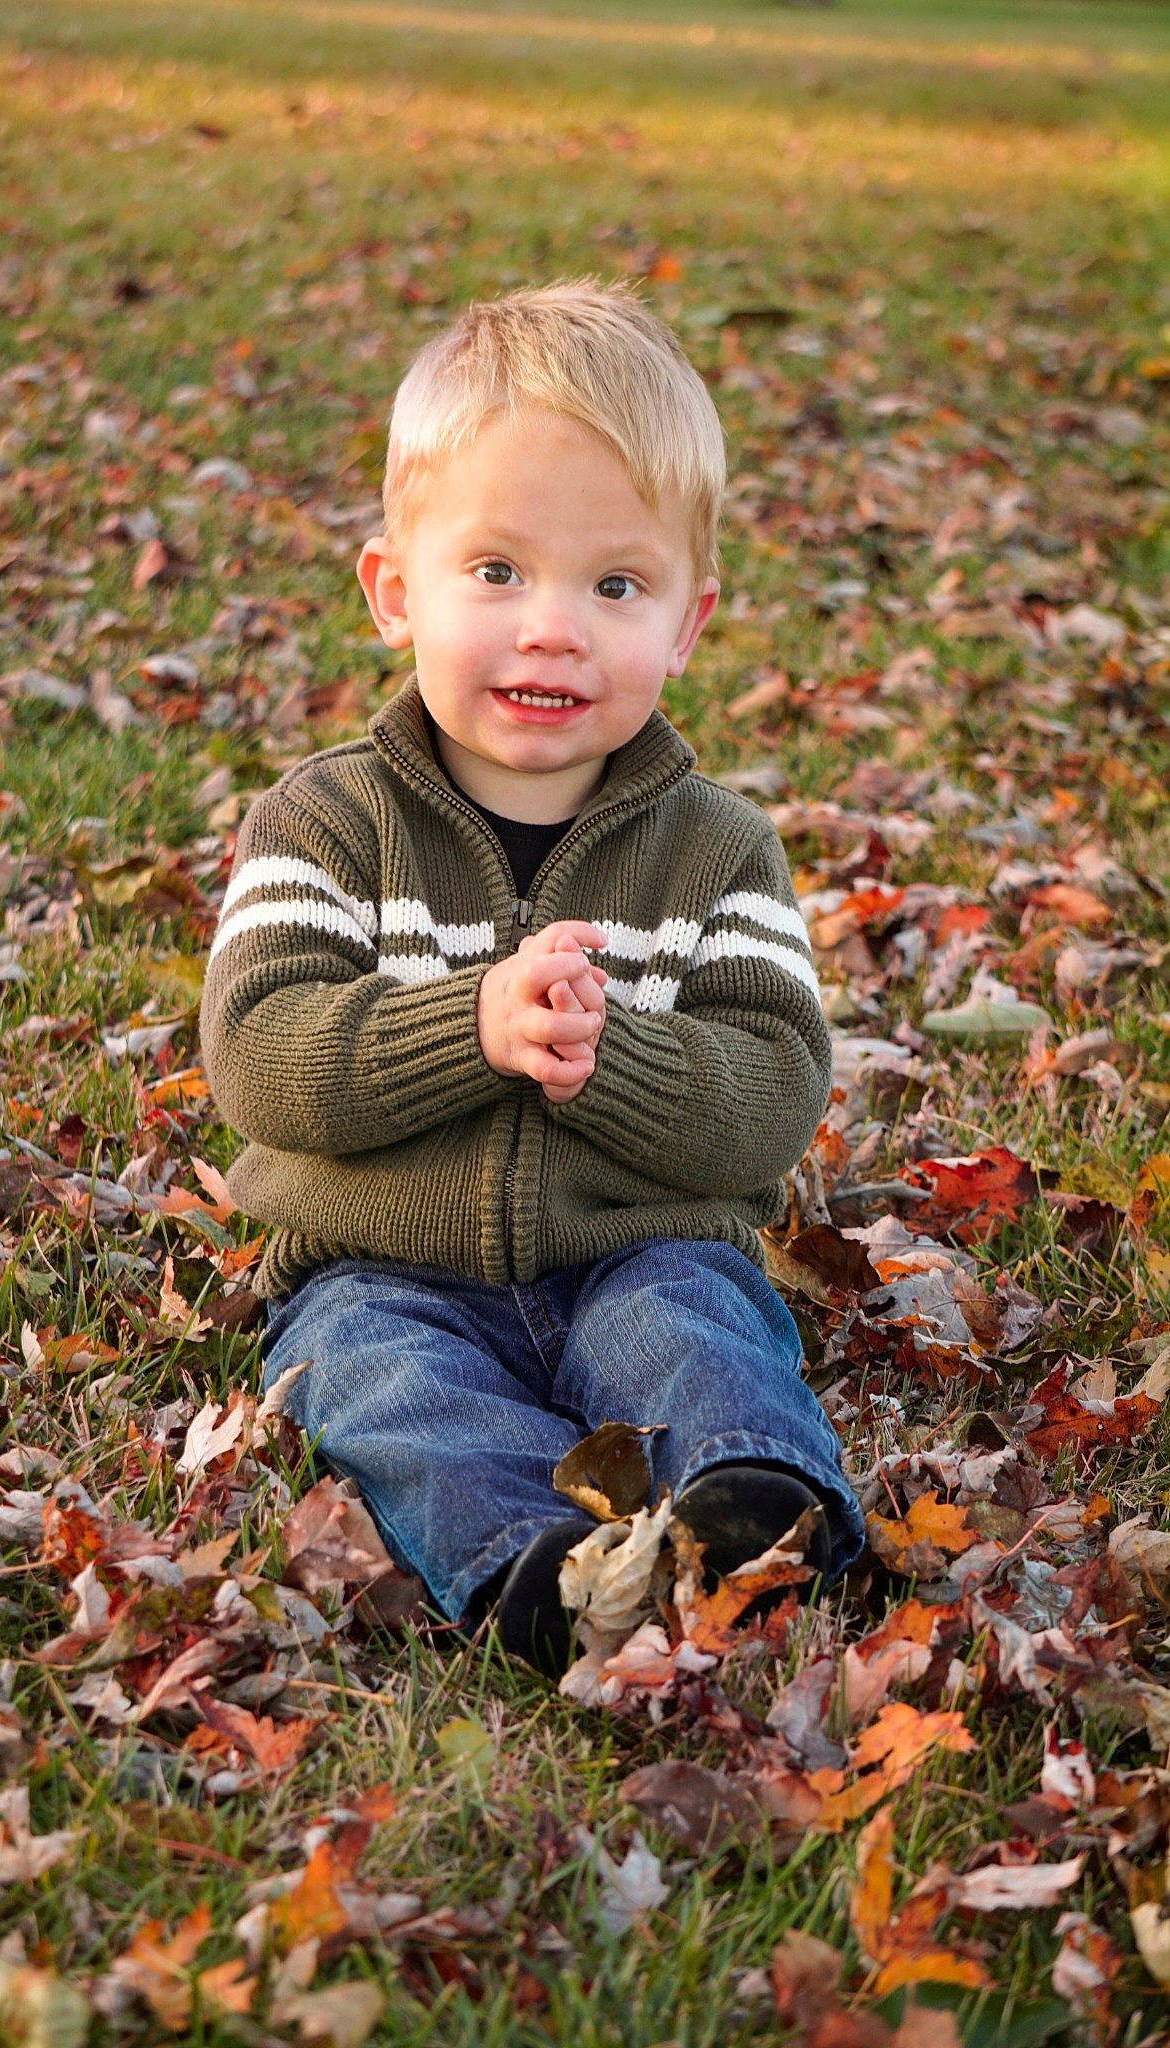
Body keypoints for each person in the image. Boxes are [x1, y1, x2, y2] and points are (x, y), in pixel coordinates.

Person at [200, 282, 864, 1676]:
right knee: (383, 1389)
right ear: (395, 591)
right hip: (380, 1263)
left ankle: (752, 1508)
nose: (552, 627)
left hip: (637, 1241)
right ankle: (535, 1567)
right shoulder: (322, 824)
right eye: (496, 571)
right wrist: (469, 1025)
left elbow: (770, 1097)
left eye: (614, 585)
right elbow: (258, 1054)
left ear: (686, 623)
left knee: (691, 1329)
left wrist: (606, 1054)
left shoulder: (716, 851)